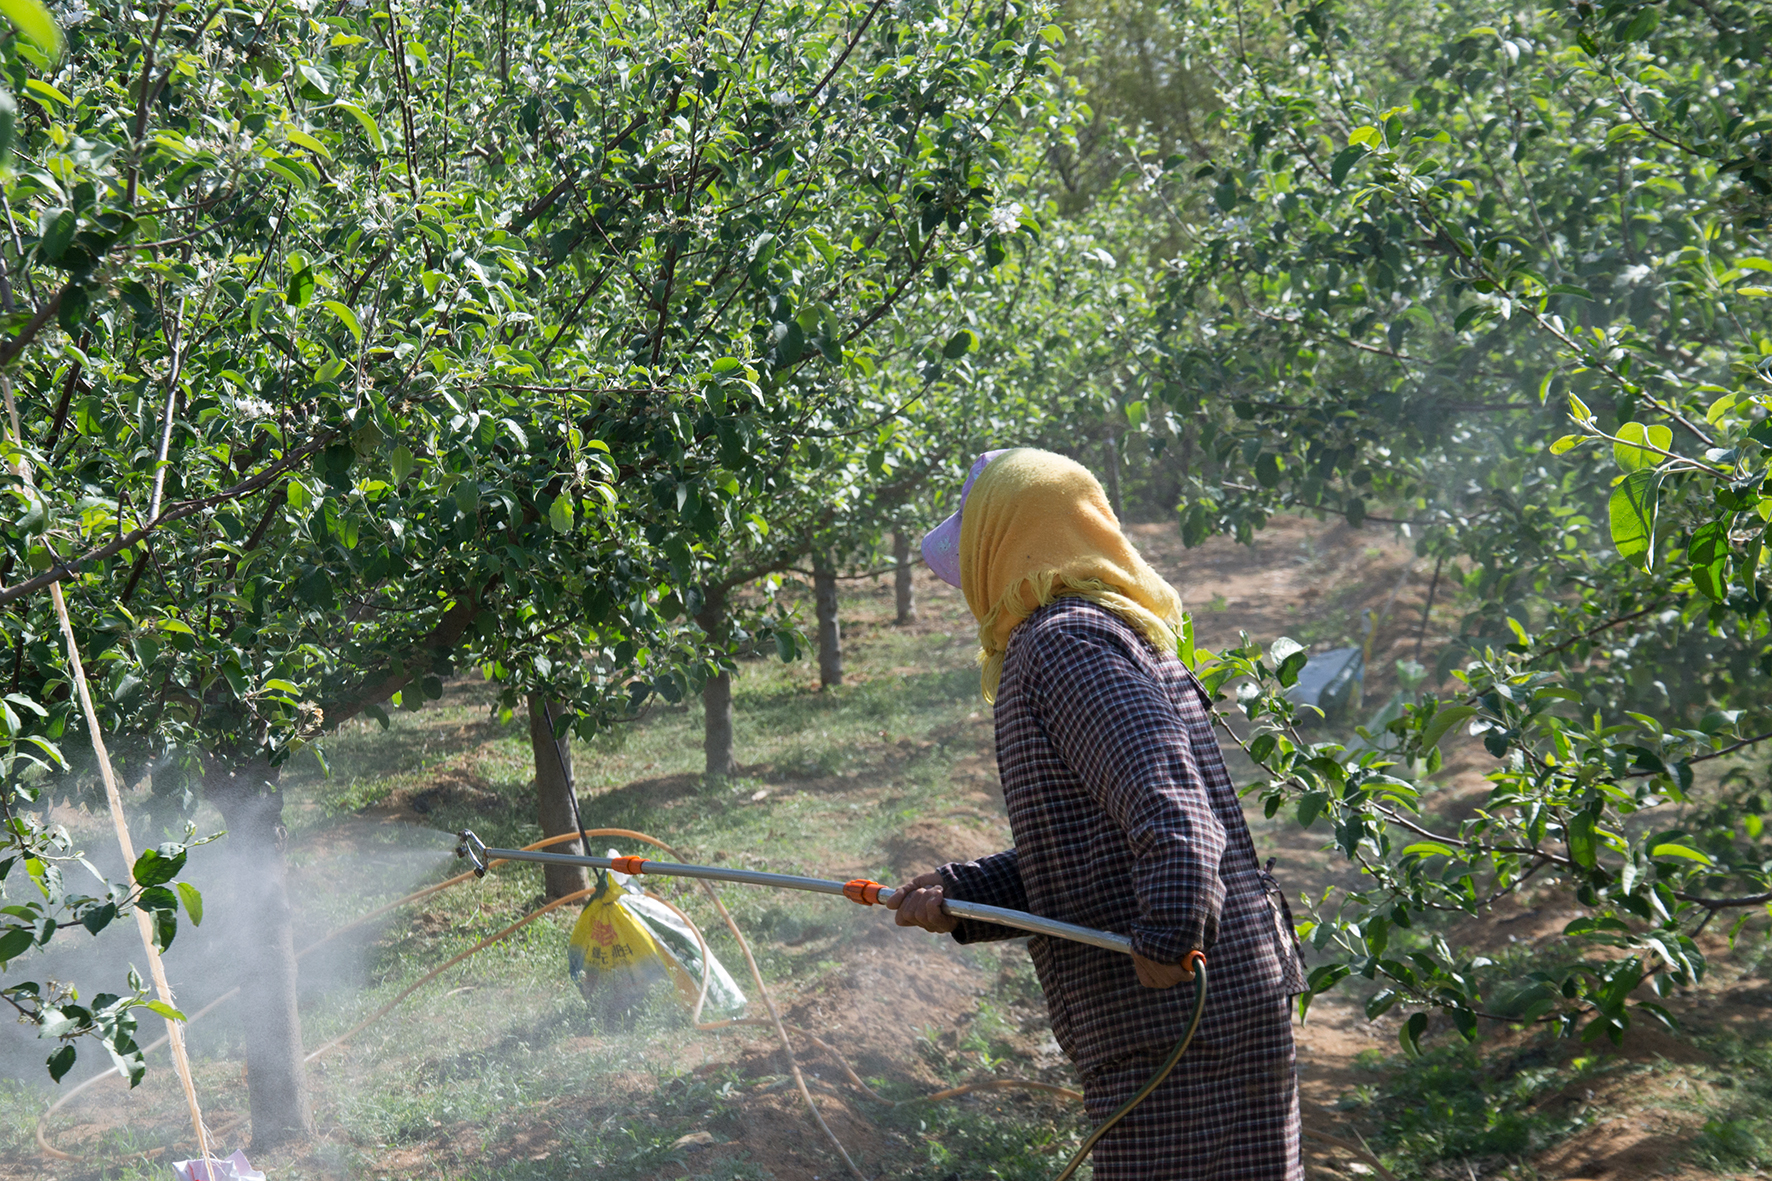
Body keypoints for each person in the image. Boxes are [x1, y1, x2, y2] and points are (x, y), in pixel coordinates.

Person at [887, 447, 1305, 1180]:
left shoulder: (1064, 645)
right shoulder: (1077, 637)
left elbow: (1172, 805)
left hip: (1182, 1026)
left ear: (1002, 543)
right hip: (1190, 1019)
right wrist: (964, 896)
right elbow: (1094, 840)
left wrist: (1170, 933)